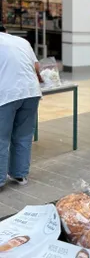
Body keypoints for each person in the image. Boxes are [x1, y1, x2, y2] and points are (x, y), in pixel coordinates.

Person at [0, 28, 43, 188]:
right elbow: (37, 67)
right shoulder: (22, 41)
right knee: (23, 135)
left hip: (6, 95)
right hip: (31, 92)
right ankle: (20, 175)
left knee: (1, 138)